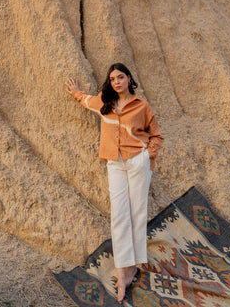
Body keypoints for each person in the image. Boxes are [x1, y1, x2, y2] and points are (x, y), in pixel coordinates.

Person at [66, 63, 163, 303]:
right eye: (112, 79)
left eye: (121, 77)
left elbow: (157, 135)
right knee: (119, 215)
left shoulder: (141, 105)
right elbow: (86, 100)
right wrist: (76, 92)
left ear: (129, 78)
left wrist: (148, 154)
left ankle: (131, 267)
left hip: (138, 162)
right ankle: (124, 269)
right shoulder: (105, 102)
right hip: (115, 163)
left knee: (137, 213)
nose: (116, 81)